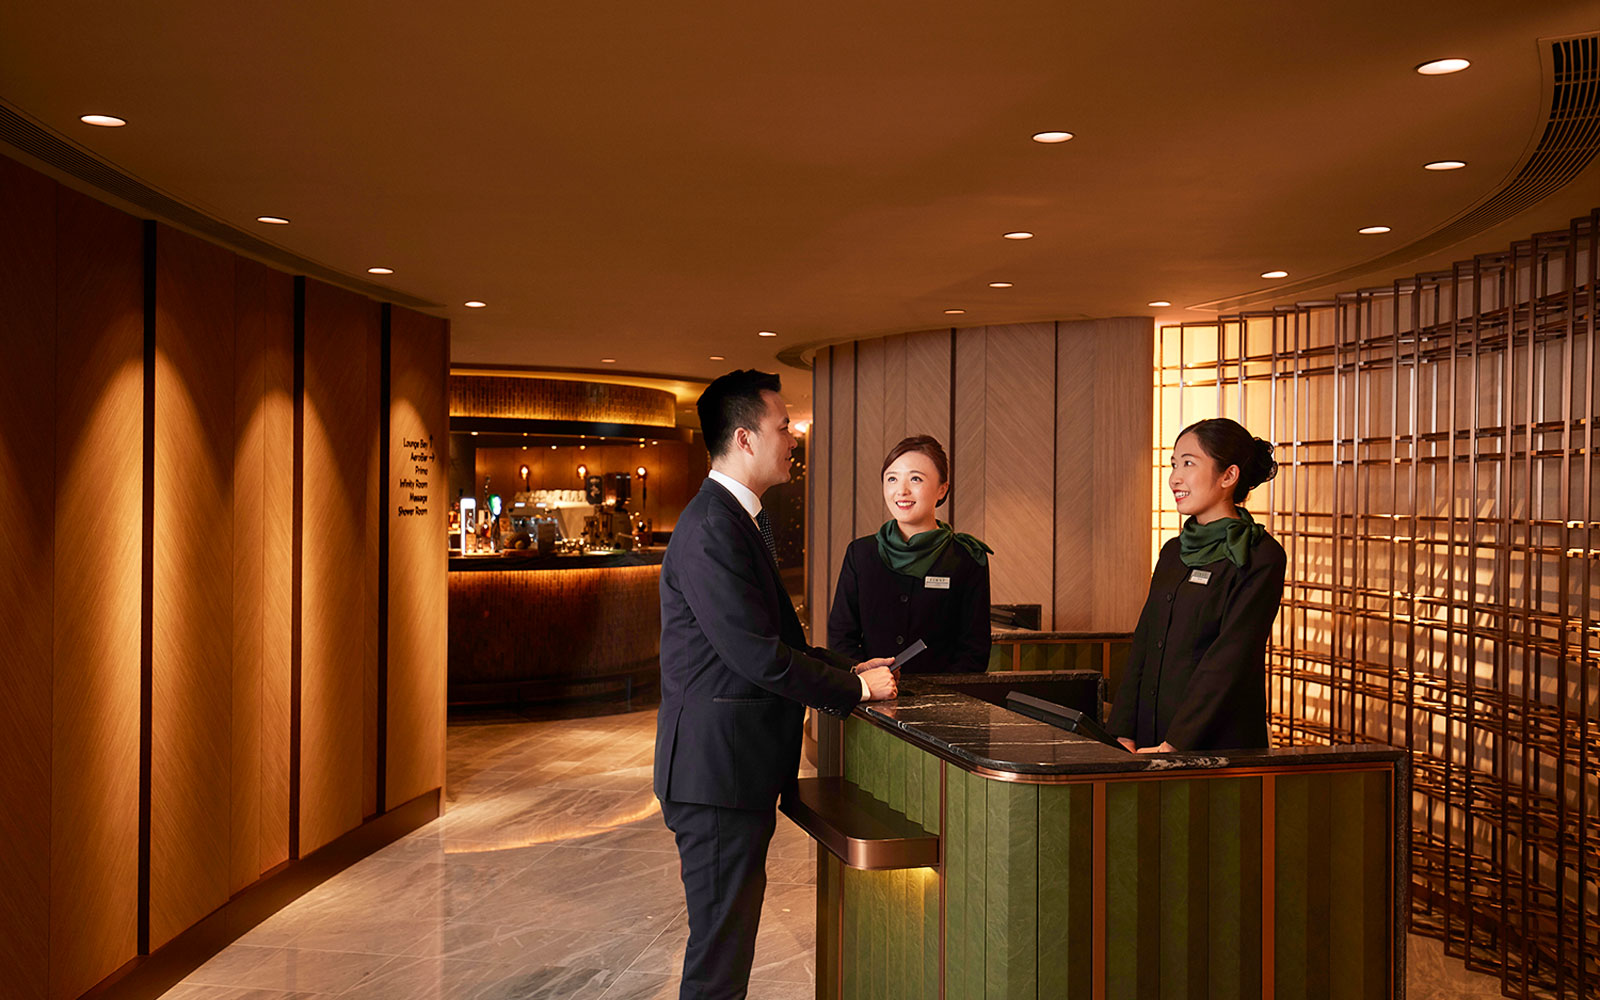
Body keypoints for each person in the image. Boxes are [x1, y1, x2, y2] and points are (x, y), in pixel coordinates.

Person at [654, 369, 899, 1000]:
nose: (793, 439)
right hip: (716, 774)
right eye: (784, 427)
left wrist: (848, 669)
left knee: (727, 945)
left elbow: (775, 640)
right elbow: (756, 656)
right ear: (744, 438)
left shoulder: (736, 519)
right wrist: (855, 692)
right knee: (719, 958)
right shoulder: (713, 527)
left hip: (732, 771)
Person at [1107, 418, 1286, 752]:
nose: (1175, 477)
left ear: (1228, 476)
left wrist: (1175, 744)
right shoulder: (1174, 551)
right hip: (1149, 738)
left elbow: (1231, 659)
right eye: (1174, 464)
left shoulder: (1260, 556)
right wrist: (1123, 730)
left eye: (1188, 463)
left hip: (1214, 745)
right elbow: (1144, 643)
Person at [828, 435, 993, 673]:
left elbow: (974, 650)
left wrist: (940, 692)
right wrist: (868, 679)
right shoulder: (861, 554)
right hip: (870, 691)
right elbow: (841, 637)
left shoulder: (966, 558)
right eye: (892, 479)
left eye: (915, 479)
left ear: (942, 489)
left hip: (945, 694)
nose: (902, 491)